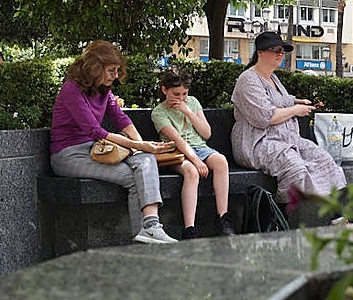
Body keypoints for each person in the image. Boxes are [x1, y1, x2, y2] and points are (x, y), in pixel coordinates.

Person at [50, 40, 178, 244]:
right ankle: (143, 238)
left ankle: (151, 226)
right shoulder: (71, 89)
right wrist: (140, 145)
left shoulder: (103, 90)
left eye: (117, 70)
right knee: (133, 176)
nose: (116, 76)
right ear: (94, 67)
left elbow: (121, 119)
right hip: (68, 154)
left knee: (145, 159)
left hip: (95, 149)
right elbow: (95, 130)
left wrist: (143, 146)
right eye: (111, 70)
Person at [231, 31, 346, 204]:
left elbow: (280, 100)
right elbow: (265, 116)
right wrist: (295, 110)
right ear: (260, 52)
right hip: (258, 142)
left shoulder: (273, 77)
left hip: (287, 139)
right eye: (275, 50)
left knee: (324, 159)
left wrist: (297, 101)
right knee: (295, 168)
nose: (280, 54)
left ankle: (337, 218)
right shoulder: (248, 80)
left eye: (282, 50)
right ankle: (281, 220)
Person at [152, 67, 236, 239]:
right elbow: (178, 141)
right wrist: (196, 161)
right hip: (176, 151)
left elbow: (206, 133)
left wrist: (188, 111)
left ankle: (223, 219)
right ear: (164, 90)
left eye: (184, 94)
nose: (181, 98)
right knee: (191, 172)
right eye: (176, 94)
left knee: (221, 161)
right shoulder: (159, 112)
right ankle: (189, 229)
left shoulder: (192, 103)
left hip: (200, 147)